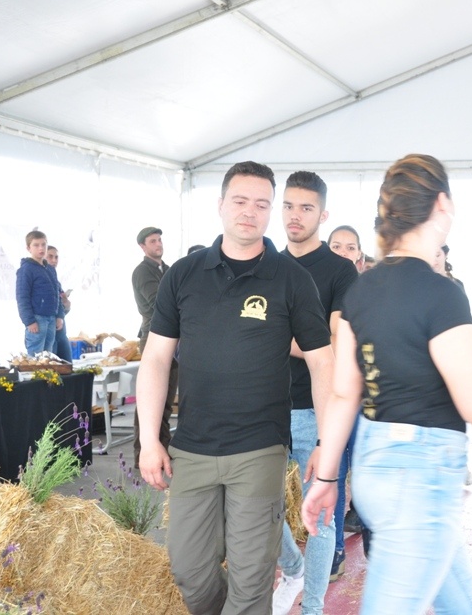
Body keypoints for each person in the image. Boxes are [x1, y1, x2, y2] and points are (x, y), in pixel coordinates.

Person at [302, 153, 472, 615]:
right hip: (421, 475)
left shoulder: (360, 291)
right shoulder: (441, 294)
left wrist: (328, 477)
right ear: (442, 204)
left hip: (375, 465)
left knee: (462, 606)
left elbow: (346, 393)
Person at [137, 161, 335, 614]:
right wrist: (150, 440)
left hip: (259, 449)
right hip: (192, 448)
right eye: (240, 201)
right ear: (221, 204)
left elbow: (323, 361)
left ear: (271, 211)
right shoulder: (183, 274)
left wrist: (326, 441)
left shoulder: (291, 278)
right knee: (189, 571)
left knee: (251, 580)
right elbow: (156, 358)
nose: (250, 211)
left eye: (262, 204)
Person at [273, 171, 359, 615]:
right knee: (256, 508)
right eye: (288, 206)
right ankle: (292, 568)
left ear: (322, 215)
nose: (295, 215)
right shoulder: (265, 263)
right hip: (266, 407)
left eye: (306, 208)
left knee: (321, 517)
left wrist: (269, 334)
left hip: (315, 409)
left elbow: (333, 344)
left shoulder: (340, 271)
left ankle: (313, 608)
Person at [325, 223, 366, 578]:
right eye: (335, 246)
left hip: (369, 402)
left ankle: (375, 546)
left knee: (367, 477)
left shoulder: (373, 293)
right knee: (335, 475)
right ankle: (336, 551)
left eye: (350, 247)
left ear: (360, 256)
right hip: (334, 399)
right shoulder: (317, 289)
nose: (342, 252)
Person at [131, 226, 178, 462]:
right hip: (153, 336)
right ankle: (143, 452)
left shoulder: (168, 270)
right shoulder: (142, 272)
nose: (158, 244)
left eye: (159, 240)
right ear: (142, 246)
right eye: (152, 241)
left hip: (173, 337)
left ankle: (162, 449)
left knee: (166, 400)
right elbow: (157, 301)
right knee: (150, 400)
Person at [15, 230, 64, 355]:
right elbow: (22, 297)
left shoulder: (50, 269)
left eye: (43, 244)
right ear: (28, 248)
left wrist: (60, 315)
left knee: (48, 356)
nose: (41, 248)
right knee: (35, 356)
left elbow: (57, 294)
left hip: (51, 318)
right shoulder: (26, 270)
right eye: (36, 245)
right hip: (37, 319)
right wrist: (29, 321)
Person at [45, 245, 73, 361]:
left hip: (61, 333)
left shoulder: (56, 281)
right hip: (48, 332)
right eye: (50, 256)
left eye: (56, 257)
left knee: (68, 365)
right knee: (52, 366)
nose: (54, 260)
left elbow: (60, 309)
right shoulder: (40, 279)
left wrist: (66, 305)